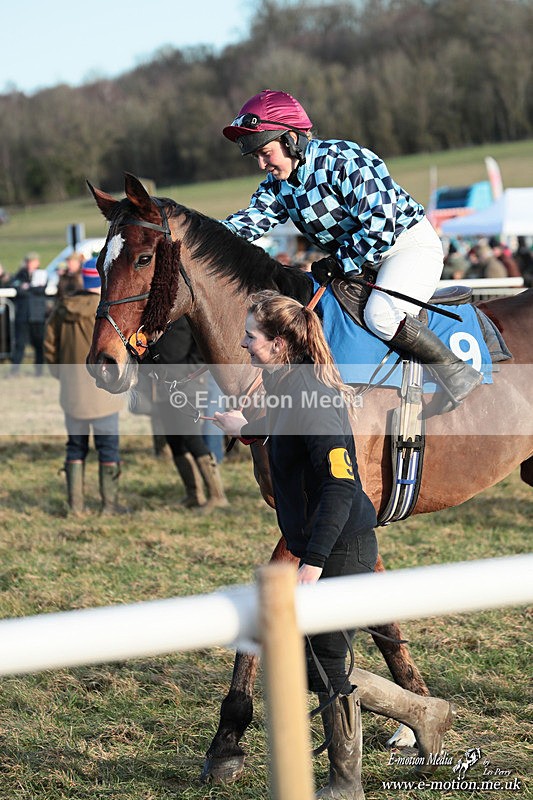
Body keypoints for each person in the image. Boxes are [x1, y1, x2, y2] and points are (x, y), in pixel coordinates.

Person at [213, 291, 454, 798]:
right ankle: (423, 711)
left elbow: (342, 485)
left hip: (340, 549)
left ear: (278, 345)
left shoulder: (311, 396)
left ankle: (346, 784)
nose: (241, 342)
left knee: (323, 671)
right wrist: (245, 428)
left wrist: (313, 561)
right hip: (328, 546)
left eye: (250, 337)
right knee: (309, 667)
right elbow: (284, 429)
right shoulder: (288, 384)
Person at [221, 89, 482, 413]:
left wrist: (341, 261)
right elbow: (250, 221)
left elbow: (382, 222)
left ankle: (456, 371)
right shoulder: (280, 184)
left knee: (382, 315)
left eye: (265, 152)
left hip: (407, 246)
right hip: (360, 260)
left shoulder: (343, 160)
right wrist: (200, 236)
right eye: (256, 156)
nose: (262, 164)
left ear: (290, 139)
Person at [44, 258, 124, 515]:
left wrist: (63, 377)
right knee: (108, 449)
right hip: (104, 392)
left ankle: (75, 507)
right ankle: (108, 506)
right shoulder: (109, 312)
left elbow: (49, 349)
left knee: (75, 447)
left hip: (72, 392)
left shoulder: (61, 308)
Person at [141, 317, 228, 511]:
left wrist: (189, 372)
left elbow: (201, 347)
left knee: (191, 437)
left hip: (187, 384)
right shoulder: (152, 318)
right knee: (174, 440)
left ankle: (217, 495)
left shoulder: (187, 316)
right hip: (162, 384)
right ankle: (193, 494)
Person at [9, 252, 48, 376]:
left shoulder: (42, 274)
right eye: (29, 262)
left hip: (37, 315)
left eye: (33, 261)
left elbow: (41, 290)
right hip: (24, 315)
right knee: (19, 344)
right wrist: (31, 288)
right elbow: (16, 287)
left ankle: (39, 371)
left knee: (38, 344)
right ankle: (14, 371)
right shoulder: (20, 274)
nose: (31, 264)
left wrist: (27, 288)